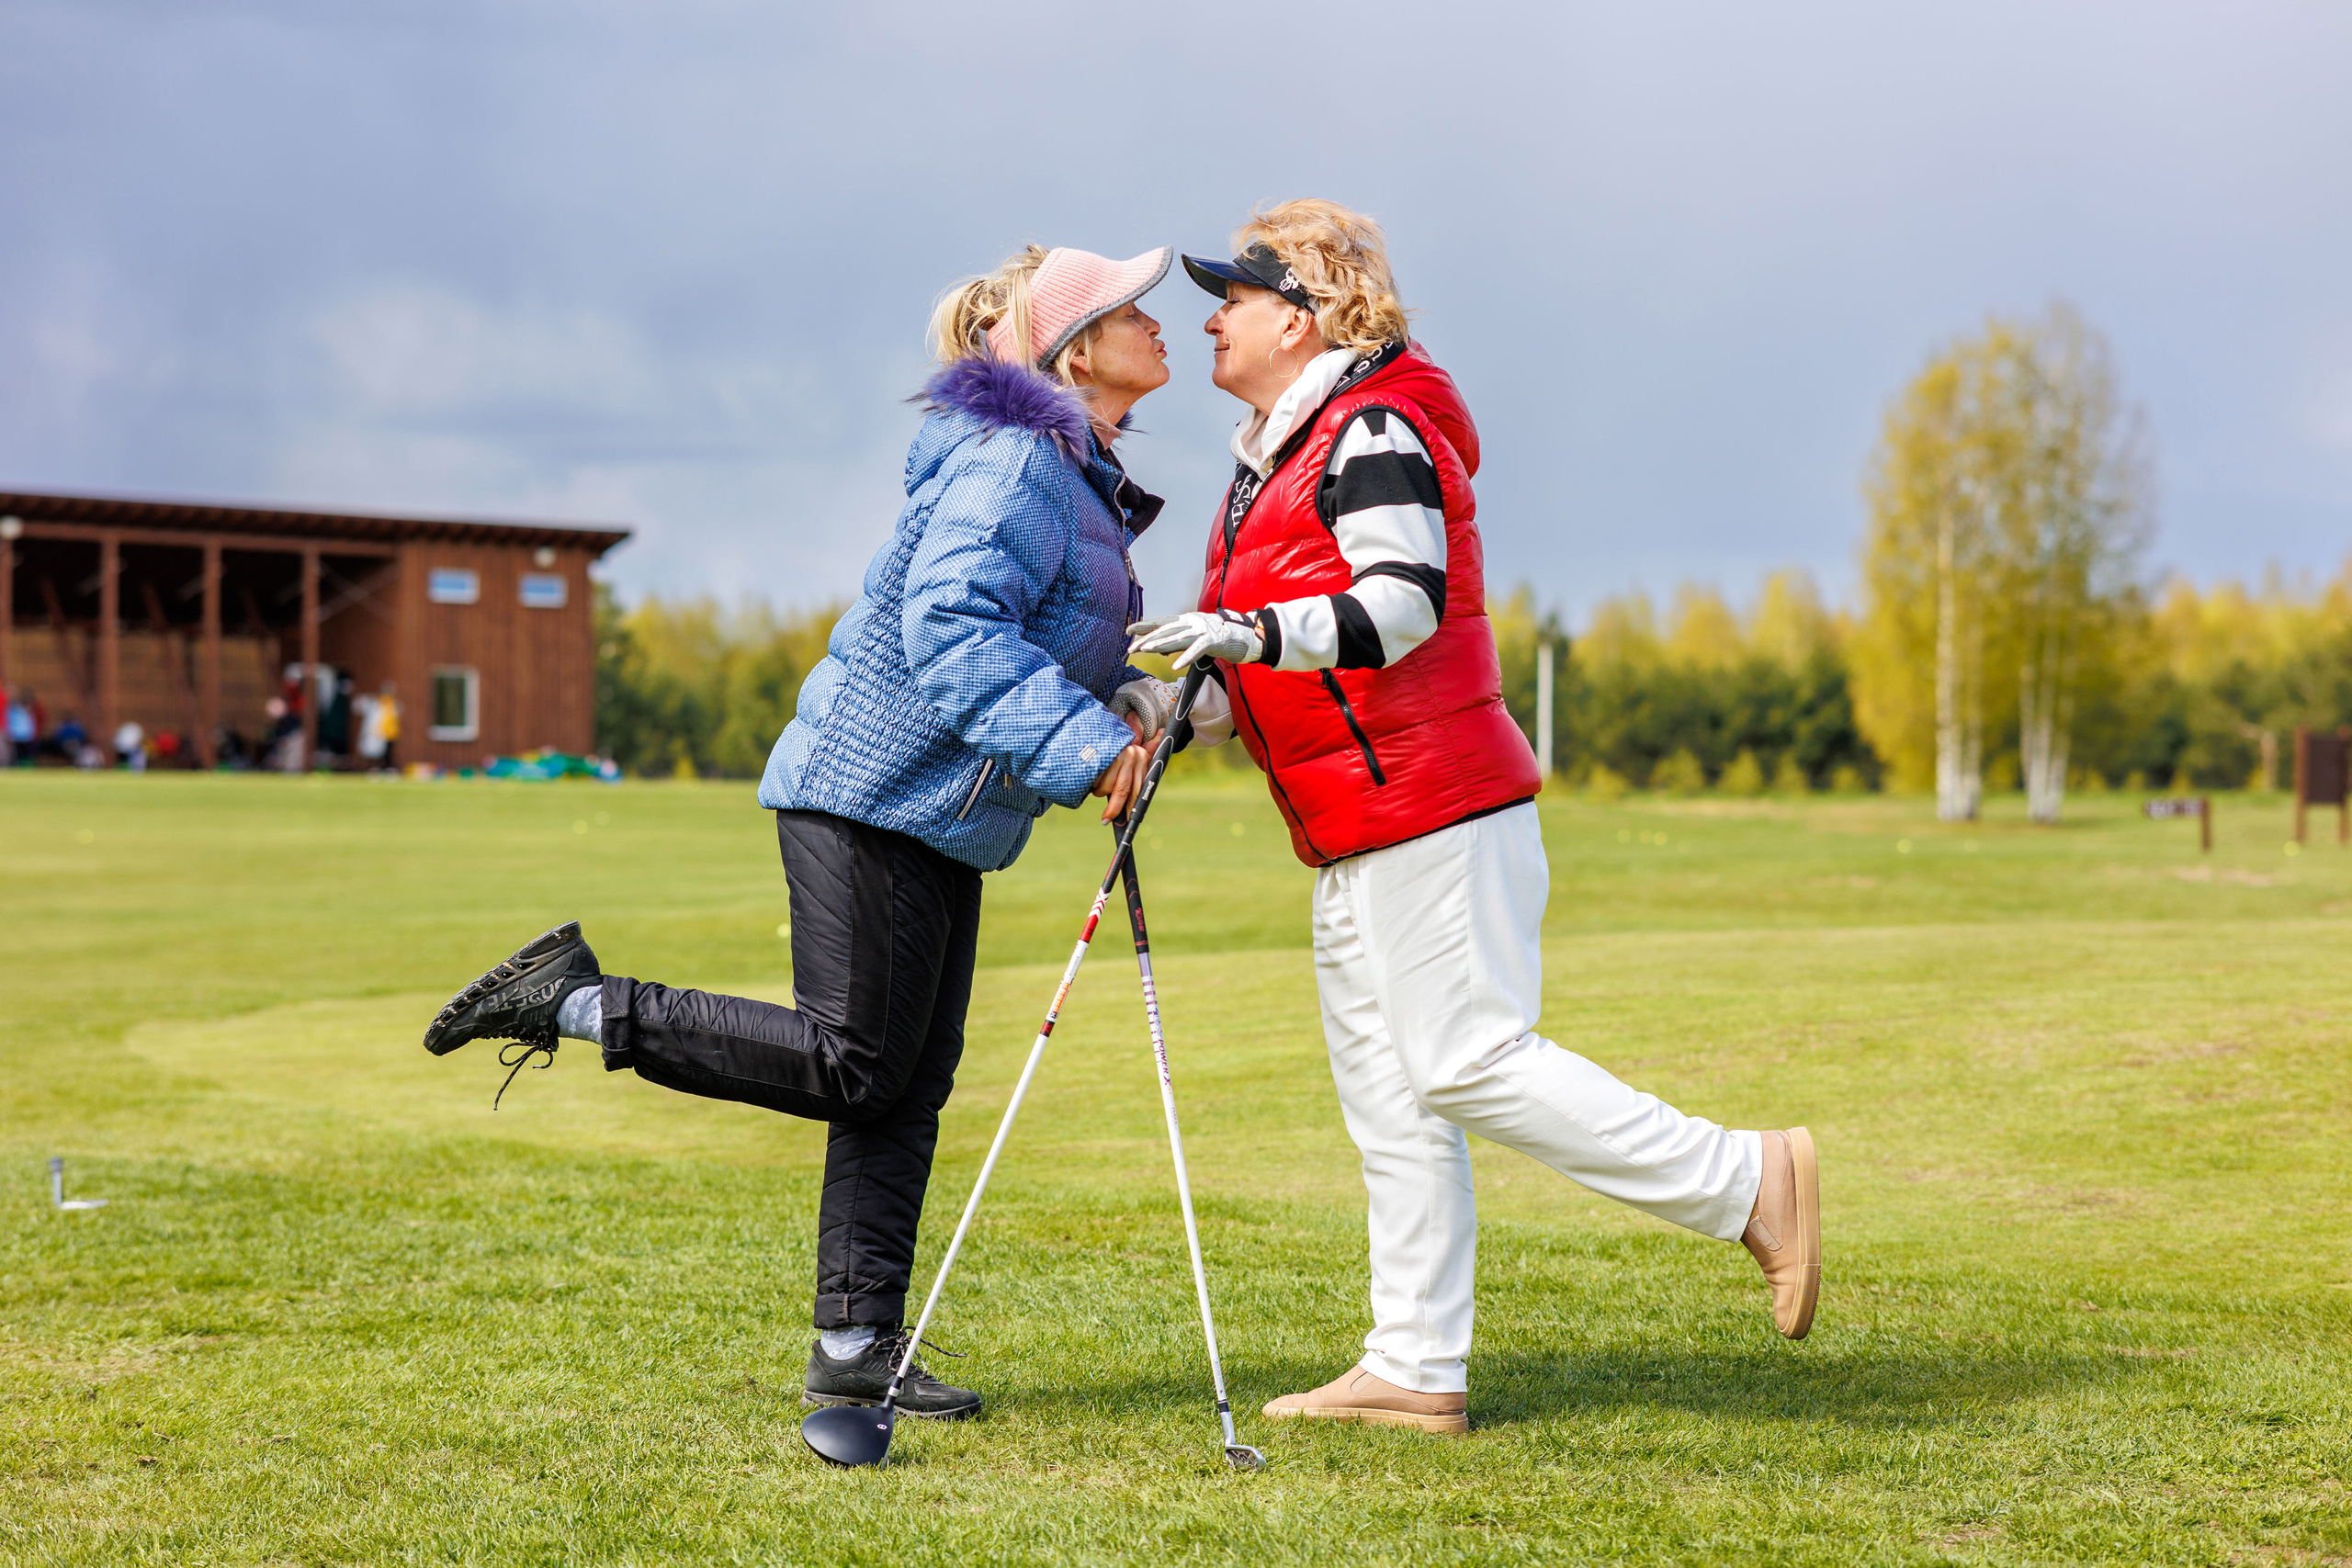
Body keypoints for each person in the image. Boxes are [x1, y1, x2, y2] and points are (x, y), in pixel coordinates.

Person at [422, 243, 1182, 1424]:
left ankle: (855, 1347)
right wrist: (1083, 752)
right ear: (1075, 350)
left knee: (901, 1086)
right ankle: (570, 999)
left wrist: (1123, 699)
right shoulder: (1016, 463)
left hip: (940, 812)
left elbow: (1039, 630)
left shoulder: (1071, 474)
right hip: (869, 791)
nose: (1160, 323)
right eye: (1135, 309)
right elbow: (951, 626)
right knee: (857, 1063)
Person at [1129, 200, 1821, 1436]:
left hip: (1431, 804)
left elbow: (1398, 603)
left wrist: (1246, 632)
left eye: (1233, 295)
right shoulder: (1274, 455)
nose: (1213, 318)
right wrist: (1177, 711)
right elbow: (1277, 662)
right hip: (1355, 823)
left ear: (1300, 316)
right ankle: (1413, 1365)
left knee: (1463, 1060)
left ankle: (1746, 1178)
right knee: (1392, 1105)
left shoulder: (1371, 428)